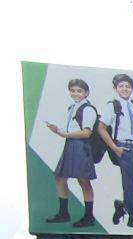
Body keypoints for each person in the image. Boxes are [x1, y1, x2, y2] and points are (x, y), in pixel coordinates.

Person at [97, 73, 133, 231]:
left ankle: (123, 206)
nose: (125, 89)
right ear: (115, 88)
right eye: (121, 86)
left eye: (127, 86)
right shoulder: (112, 106)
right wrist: (115, 147)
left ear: (132, 88)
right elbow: (101, 128)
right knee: (129, 185)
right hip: (124, 147)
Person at [44, 78, 97, 228]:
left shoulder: (87, 109)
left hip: (80, 146)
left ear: (86, 93)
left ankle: (88, 216)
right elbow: (71, 129)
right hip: (71, 144)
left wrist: (63, 134)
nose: (75, 93)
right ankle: (63, 213)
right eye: (73, 91)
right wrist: (59, 131)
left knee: (83, 180)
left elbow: (86, 133)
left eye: (79, 91)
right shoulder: (72, 107)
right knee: (60, 178)